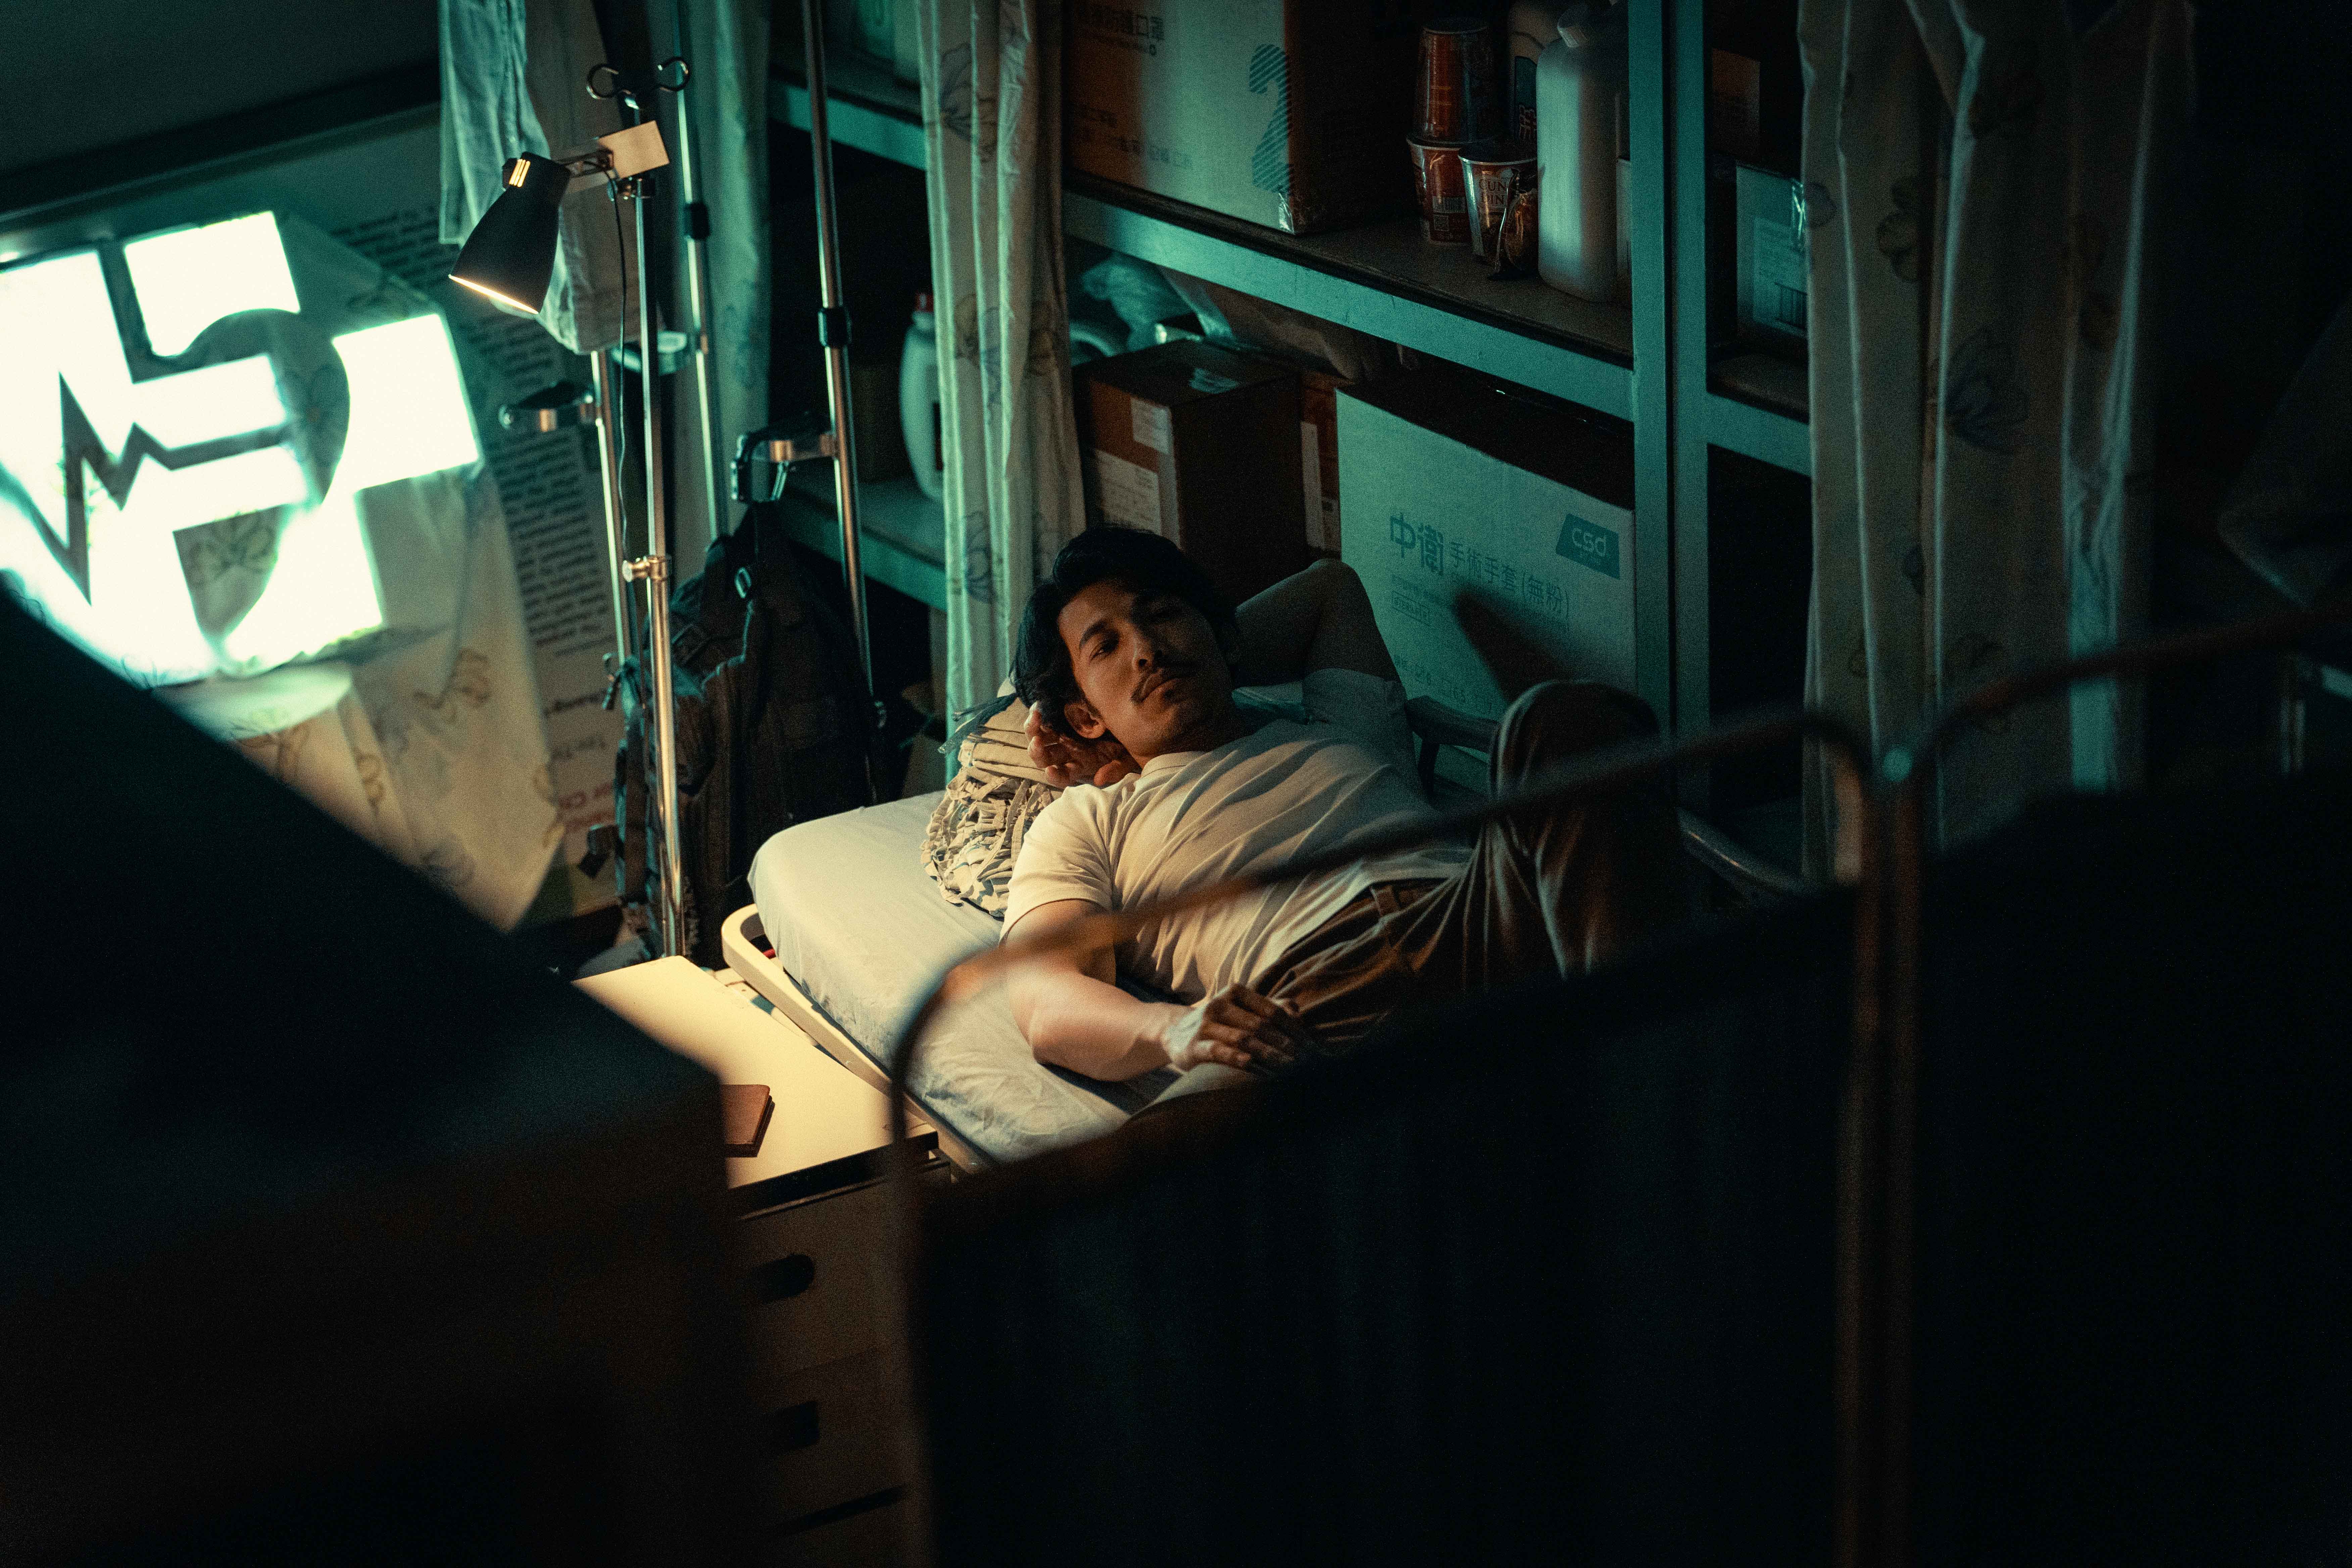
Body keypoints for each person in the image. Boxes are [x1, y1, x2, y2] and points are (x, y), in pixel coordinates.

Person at [1002, 527, 1688, 1084]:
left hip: (1475, 916)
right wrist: (1171, 1029)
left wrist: (1210, 651)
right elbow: (1043, 995)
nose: (1147, 650)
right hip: (1310, 1003)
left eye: (1163, 616)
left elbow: (1329, 589)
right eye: (1107, 646)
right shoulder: (1087, 818)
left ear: (1224, 635)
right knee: (1159, 1179)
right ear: (1083, 715)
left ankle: (1648, 1080)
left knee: (1561, 718)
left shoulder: (1337, 721)